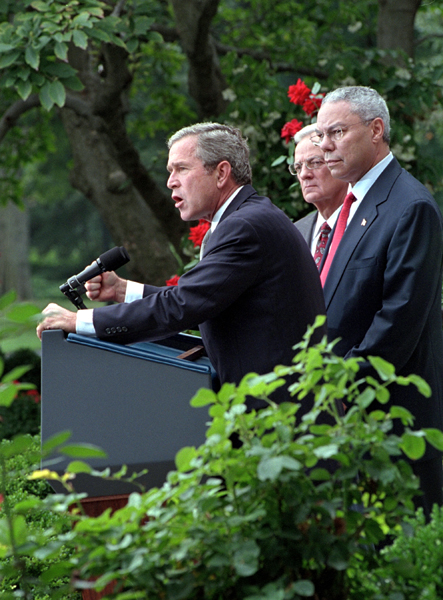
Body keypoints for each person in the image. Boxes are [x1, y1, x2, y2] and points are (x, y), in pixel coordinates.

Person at [37, 122, 327, 411]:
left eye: (181, 169)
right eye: (169, 171)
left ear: (221, 173)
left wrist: (79, 322)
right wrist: (123, 290)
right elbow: (200, 301)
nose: (170, 182)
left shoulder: (245, 227)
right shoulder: (242, 219)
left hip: (282, 417)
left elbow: (183, 305)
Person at [313, 85, 443, 519]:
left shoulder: (409, 207)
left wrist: (339, 387)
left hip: (384, 416)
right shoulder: (352, 204)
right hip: (343, 419)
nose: (325, 146)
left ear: (376, 130)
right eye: (319, 135)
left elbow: (398, 319)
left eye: (336, 132)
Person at [292, 124, 348, 267]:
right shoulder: (294, 233)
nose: (304, 174)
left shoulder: (364, 223)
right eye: (298, 167)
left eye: (315, 163)